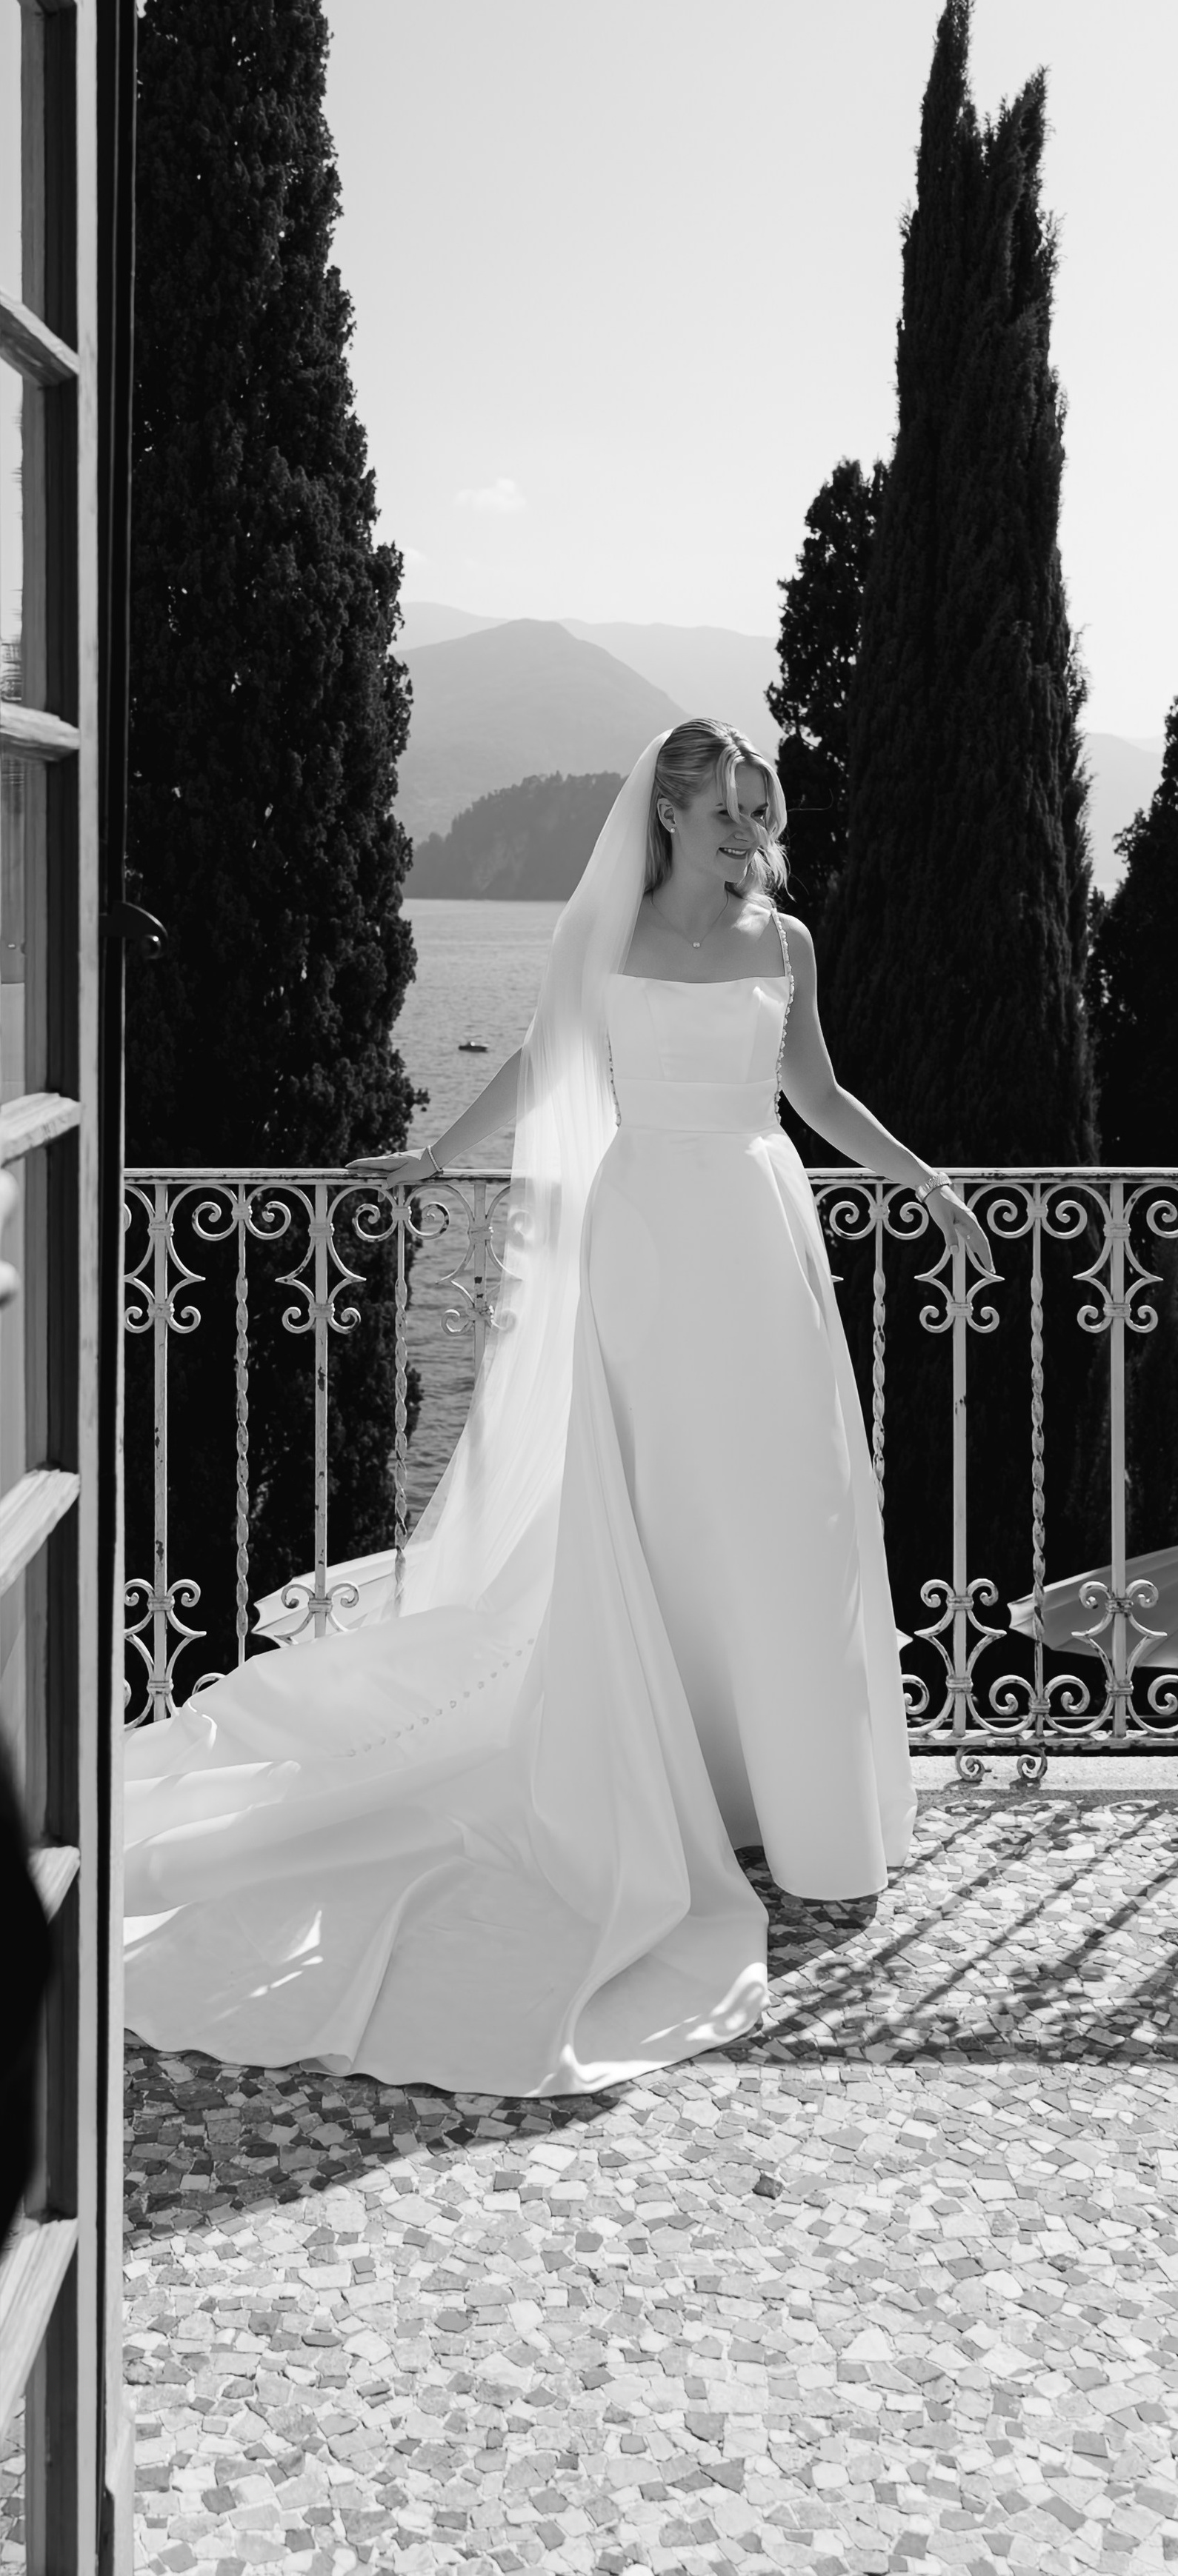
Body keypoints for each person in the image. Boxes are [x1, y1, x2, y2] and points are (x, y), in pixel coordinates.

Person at [122, 721, 994, 2096]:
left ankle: (787, 1797)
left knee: (785, 1513)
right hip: (646, 1244)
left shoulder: (791, 940)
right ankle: (680, 1792)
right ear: (670, 810)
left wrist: (926, 1181)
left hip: (762, 1240)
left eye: (760, 815)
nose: (746, 836)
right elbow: (544, 1073)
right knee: (655, 1519)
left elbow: (814, 1093)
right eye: (726, 811)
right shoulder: (605, 940)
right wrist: (438, 1155)